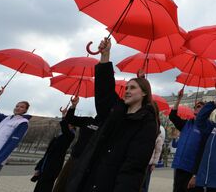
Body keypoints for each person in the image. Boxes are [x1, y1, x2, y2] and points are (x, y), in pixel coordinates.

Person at [67, 38, 158, 192]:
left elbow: (134, 167)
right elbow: (105, 92)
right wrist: (105, 56)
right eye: (127, 87)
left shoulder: (147, 123)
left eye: (133, 87)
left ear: (144, 93)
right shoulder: (117, 112)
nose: (127, 90)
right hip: (88, 180)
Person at [53, 95, 101, 192]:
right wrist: (73, 106)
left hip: (90, 163)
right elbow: (70, 119)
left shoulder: (108, 126)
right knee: (62, 185)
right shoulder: (88, 120)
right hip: (75, 158)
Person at [169, 89, 206, 192]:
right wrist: (179, 99)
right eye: (195, 107)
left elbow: (203, 153)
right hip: (179, 166)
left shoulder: (206, 128)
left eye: (199, 107)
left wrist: (196, 174)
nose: (195, 108)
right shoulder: (187, 124)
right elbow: (172, 116)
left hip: (192, 170)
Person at [31, 108, 76, 192]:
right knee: (39, 187)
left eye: (69, 124)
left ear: (72, 126)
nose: (67, 125)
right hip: (46, 165)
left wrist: (64, 116)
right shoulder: (60, 136)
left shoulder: (70, 135)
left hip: (53, 167)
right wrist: (39, 168)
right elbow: (47, 153)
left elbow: (65, 128)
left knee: (45, 187)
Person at [143, 110, 163, 192]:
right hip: (141, 160)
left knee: (145, 182)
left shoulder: (158, 137)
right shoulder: (145, 133)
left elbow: (158, 151)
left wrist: (154, 163)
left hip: (149, 163)